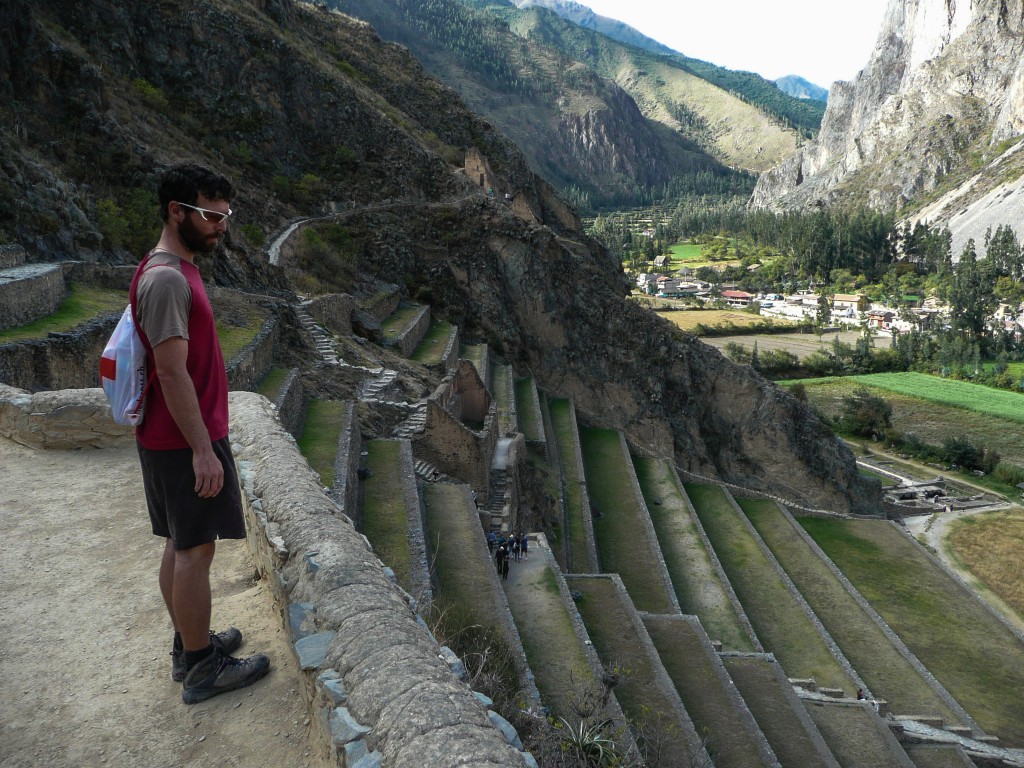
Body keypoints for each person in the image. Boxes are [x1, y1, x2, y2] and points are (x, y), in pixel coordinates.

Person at [133, 163, 269, 705]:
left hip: (172, 437)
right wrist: (202, 451)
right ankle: (202, 668)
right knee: (195, 552)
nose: (222, 227)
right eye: (211, 216)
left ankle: (188, 645)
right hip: (182, 440)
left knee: (181, 544)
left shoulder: (174, 266)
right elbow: (170, 372)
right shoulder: (166, 278)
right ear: (177, 211)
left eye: (226, 216)